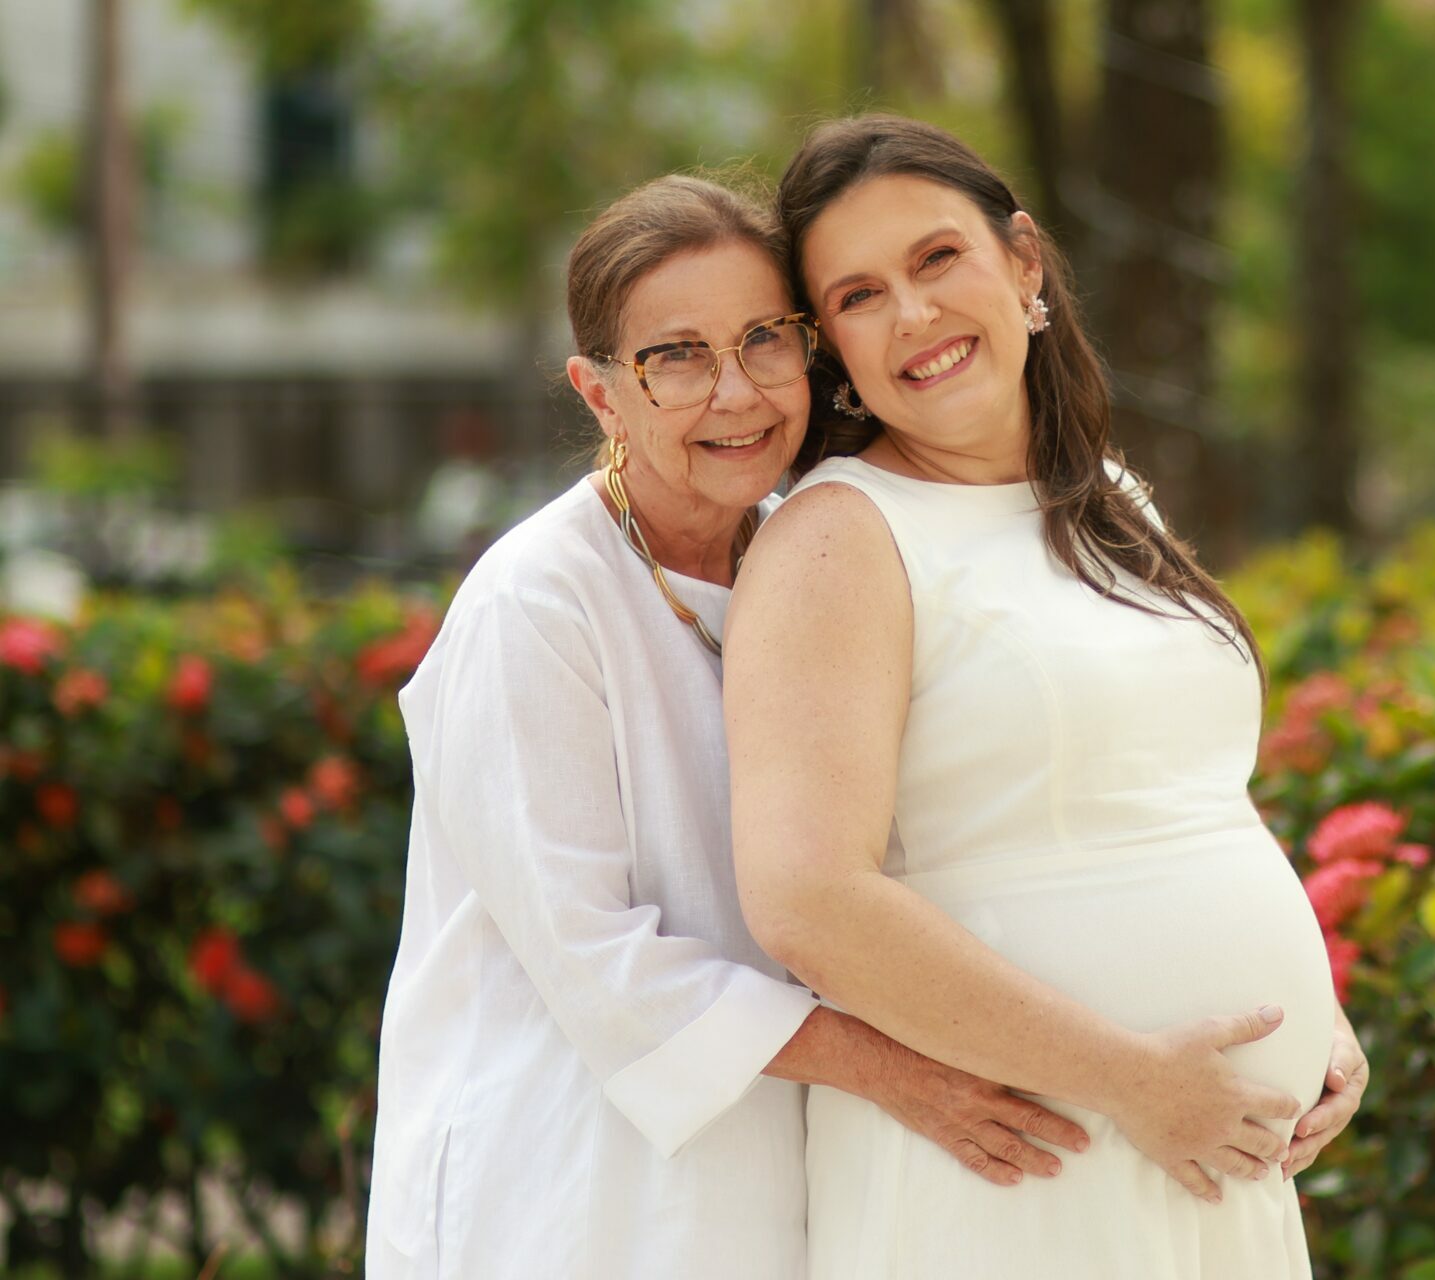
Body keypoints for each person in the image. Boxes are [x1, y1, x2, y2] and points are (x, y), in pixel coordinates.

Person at [361, 174, 1099, 1280]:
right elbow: (600, 958)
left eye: (764, 339)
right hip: (564, 1186)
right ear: (601, 393)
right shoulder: (538, 602)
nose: (737, 393)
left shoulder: (815, 551)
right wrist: (907, 1072)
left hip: (781, 1174)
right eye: (677, 358)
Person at [725, 116, 1369, 1278]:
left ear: (1023, 263)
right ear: (834, 350)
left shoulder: (1109, 498)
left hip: (1211, 1150)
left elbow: (1180, 795)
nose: (913, 313)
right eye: (861, 296)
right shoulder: (839, 538)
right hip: (1026, 1168)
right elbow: (808, 897)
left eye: (937, 258)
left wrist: (1316, 1020)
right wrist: (1130, 1078)